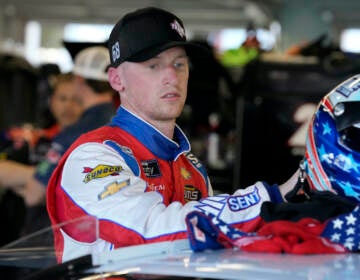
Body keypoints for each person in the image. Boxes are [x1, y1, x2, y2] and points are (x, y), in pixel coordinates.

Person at [46, 7, 299, 263]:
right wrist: (274, 196)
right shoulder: (92, 156)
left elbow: (211, 248)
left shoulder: (192, 167)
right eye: (153, 65)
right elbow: (152, 231)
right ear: (116, 79)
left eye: (179, 64)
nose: (171, 77)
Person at [12, 46, 117, 237]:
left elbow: (33, 195)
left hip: (56, 244)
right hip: (108, 238)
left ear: (78, 80)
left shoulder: (73, 134)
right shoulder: (125, 124)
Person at [0, 72, 82, 245]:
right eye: (63, 98)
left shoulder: (91, 143)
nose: (68, 106)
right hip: (23, 234)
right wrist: (42, 180)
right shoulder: (36, 139)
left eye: (76, 100)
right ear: (51, 101)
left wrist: (35, 182)